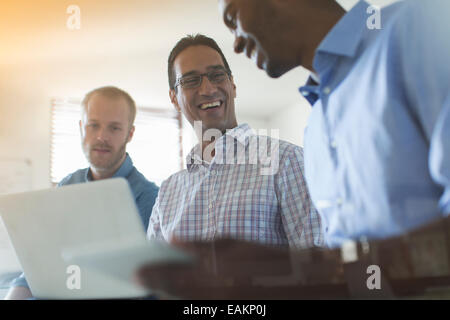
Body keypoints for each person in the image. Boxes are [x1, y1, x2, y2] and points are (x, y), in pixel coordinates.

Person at [135, 0, 450, 299]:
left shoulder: (419, 29)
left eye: (233, 17)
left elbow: (332, 267)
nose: (237, 44)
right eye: (190, 81)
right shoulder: (318, 128)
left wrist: (280, 271)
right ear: (173, 97)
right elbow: (344, 272)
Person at [147, 34, 323, 249]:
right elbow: (151, 279)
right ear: (174, 98)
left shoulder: (286, 161)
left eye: (217, 75)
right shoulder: (167, 193)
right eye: (191, 81)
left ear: (233, 85)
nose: (208, 89)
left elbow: (318, 262)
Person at [5, 86, 159, 300]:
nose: (101, 137)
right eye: (93, 125)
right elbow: (43, 260)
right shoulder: (68, 185)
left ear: (130, 133)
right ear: (80, 127)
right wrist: (16, 292)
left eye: (114, 128)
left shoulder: (150, 198)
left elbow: (148, 287)